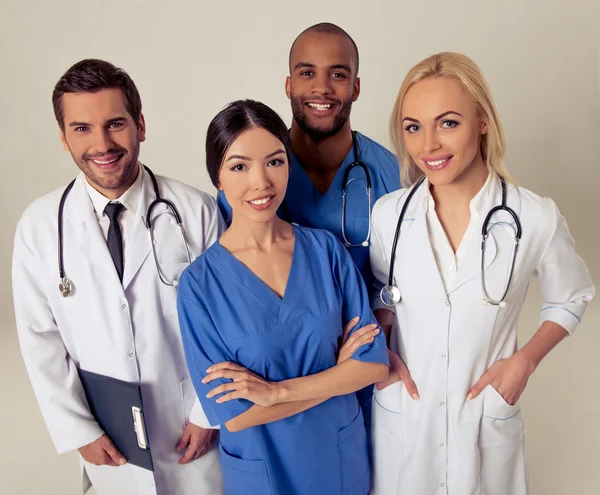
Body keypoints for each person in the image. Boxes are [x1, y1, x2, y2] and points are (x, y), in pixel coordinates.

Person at [369, 52, 596, 495]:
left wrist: (524, 362)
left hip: (483, 418)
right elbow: (384, 297)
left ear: (483, 121)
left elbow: (571, 297)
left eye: (448, 123)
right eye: (413, 127)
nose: (428, 145)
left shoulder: (534, 216)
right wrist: (382, 351)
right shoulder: (389, 216)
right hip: (406, 415)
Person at [12, 59, 224, 495]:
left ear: (140, 124)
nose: (102, 143)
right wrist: (77, 429)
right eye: (82, 129)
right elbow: (40, 339)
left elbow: (227, 320)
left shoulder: (196, 211)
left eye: (115, 124)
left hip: (191, 431)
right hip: (108, 442)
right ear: (63, 137)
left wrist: (209, 414)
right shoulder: (39, 227)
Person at [178, 99, 389, 495]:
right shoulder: (200, 286)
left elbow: (373, 367)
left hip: (339, 463)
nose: (261, 182)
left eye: (275, 162)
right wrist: (336, 377)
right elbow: (234, 417)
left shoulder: (326, 252)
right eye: (239, 167)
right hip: (266, 474)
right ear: (217, 177)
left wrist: (274, 393)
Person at [217, 22, 400, 430]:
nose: (322, 88)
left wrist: (382, 318)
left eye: (338, 74)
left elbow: (404, 270)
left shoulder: (390, 172)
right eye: (306, 73)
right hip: (277, 371)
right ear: (287, 84)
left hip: (370, 363)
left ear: (355, 87)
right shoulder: (248, 175)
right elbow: (231, 281)